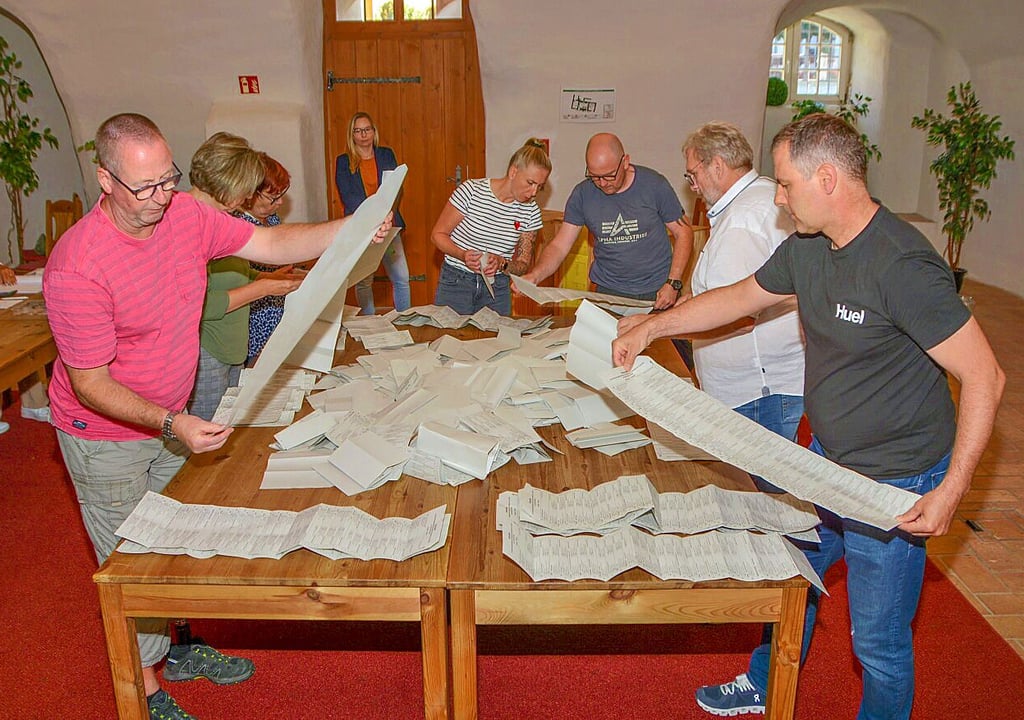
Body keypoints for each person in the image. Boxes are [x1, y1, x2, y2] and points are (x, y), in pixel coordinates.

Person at [613, 113, 1004, 720]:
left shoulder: (902, 265)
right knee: (788, 581)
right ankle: (766, 684)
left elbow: (985, 375)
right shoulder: (808, 248)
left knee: (876, 642)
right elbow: (740, 296)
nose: (778, 195)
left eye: (786, 184)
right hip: (824, 462)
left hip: (892, 484)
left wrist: (954, 488)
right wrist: (652, 326)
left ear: (828, 179)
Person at [43, 113, 391, 720]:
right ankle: (146, 695)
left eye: (168, 179)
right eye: (144, 187)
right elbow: (90, 383)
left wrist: (355, 225)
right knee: (134, 563)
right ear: (105, 179)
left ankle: (177, 651)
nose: (161, 197)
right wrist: (170, 421)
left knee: (174, 541)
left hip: (166, 415)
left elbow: (270, 243)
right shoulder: (79, 265)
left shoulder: (182, 213)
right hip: (106, 433)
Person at [681, 122, 803, 449]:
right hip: (767, 385)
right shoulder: (759, 194)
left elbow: (737, 317)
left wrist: (663, 330)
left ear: (717, 166)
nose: (692, 185)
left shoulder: (742, 220)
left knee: (758, 495)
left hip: (757, 393)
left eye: (692, 174)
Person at [187, 134, 303, 420]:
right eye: (246, 192)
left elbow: (234, 272)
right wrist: (264, 286)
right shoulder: (196, 227)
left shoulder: (223, 222)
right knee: (210, 424)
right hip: (211, 348)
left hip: (235, 343)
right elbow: (204, 304)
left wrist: (267, 277)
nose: (246, 200)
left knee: (233, 421)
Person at [520, 132, 693, 310]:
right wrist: (536, 275)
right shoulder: (582, 195)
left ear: (625, 162)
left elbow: (684, 232)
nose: (602, 183)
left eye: (609, 175)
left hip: (656, 291)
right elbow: (560, 246)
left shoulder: (654, 186)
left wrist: (673, 283)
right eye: (594, 176)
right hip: (607, 292)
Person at [430, 138, 551, 315]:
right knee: (449, 339)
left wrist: (502, 263)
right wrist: (462, 255)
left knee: (497, 342)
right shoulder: (471, 191)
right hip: (456, 282)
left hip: (497, 289)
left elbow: (523, 264)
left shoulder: (531, 211)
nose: (533, 193)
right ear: (513, 172)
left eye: (540, 187)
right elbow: (438, 235)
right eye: (530, 183)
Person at [335, 111, 411, 315]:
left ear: (373, 131)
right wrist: (371, 217)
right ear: (352, 135)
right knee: (364, 280)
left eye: (367, 129)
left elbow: (396, 188)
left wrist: (387, 214)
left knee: (402, 277)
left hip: (389, 224)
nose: (363, 135)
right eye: (358, 131)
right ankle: (369, 325)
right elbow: (348, 195)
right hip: (363, 228)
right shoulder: (343, 161)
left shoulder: (386, 154)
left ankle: (404, 320)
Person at [233, 152, 297, 363]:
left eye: (282, 195)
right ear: (250, 194)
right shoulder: (240, 226)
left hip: (279, 312)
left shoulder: (272, 218)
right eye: (273, 197)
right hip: (257, 322)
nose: (279, 203)